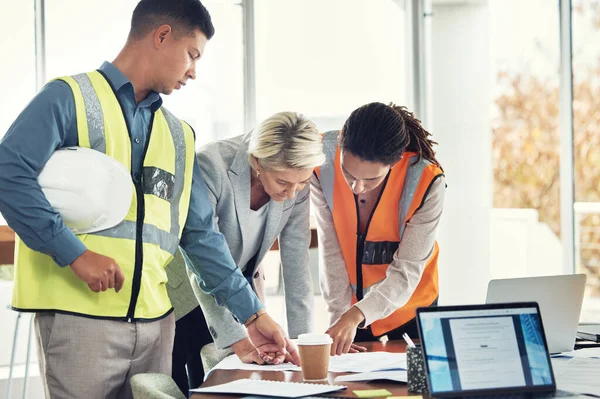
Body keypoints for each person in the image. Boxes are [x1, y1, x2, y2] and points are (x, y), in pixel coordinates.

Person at [0, 1, 297, 398]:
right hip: (80, 317)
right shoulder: (67, 98)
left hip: (158, 324)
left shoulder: (179, 136)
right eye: (192, 54)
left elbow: (200, 236)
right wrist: (74, 253)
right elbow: (9, 174)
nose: (194, 71)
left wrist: (253, 313)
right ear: (161, 36)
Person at [167, 111, 323, 391]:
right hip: (185, 297)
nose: (292, 193)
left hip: (240, 298)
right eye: (283, 183)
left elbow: (297, 261)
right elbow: (204, 256)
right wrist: (238, 335)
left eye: (301, 183)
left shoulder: (297, 182)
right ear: (257, 162)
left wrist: (302, 345)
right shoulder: (210, 166)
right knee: (191, 386)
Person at [311, 102, 445, 356]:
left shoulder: (427, 181)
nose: (357, 187)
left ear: (395, 162)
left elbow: (406, 271)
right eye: (348, 174)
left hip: (412, 310)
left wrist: (356, 315)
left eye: (371, 179)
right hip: (350, 312)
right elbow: (332, 252)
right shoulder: (320, 162)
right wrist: (340, 317)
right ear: (341, 141)